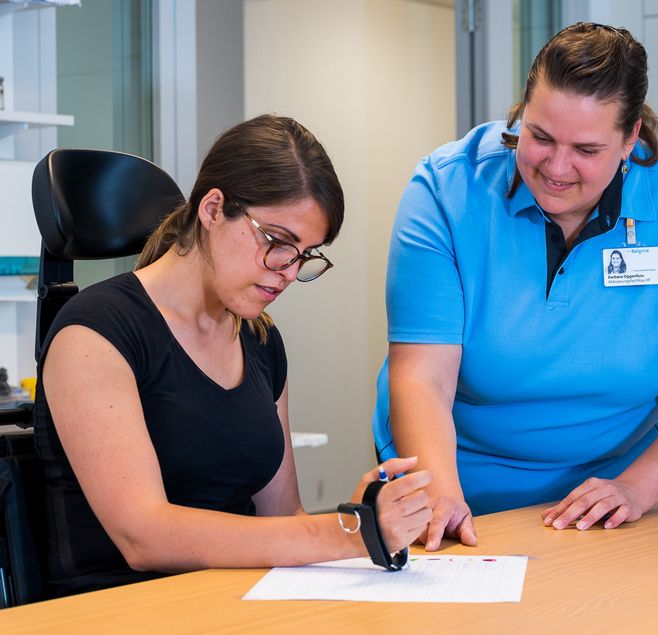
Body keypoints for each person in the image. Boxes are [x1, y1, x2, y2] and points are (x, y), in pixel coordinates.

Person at [372, 23, 658, 551]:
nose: (555, 166)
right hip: (458, 485)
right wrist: (440, 497)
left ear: (630, 139)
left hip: (613, 502)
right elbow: (423, 378)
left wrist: (635, 489)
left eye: (587, 149)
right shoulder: (446, 190)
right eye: (540, 136)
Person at [32, 114, 432, 597]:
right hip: (119, 610)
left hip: (236, 603)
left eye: (306, 255)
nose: (287, 271)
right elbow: (145, 536)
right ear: (213, 208)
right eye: (279, 242)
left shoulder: (260, 340)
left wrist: (361, 514)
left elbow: (283, 520)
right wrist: (348, 533)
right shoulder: (93, 333)